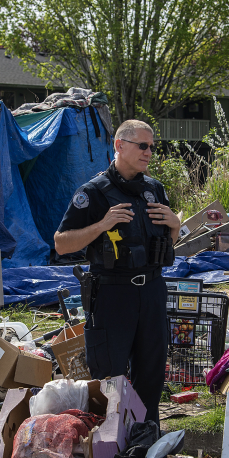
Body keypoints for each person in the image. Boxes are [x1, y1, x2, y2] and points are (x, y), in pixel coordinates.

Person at [54, 119, 180, 424]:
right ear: (119, 146)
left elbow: (167, 245)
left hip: (151, 290)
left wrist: (176, 225)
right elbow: (61, 244)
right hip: (113, 293)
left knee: (151, 372)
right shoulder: (94, 193)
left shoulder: (154, 189)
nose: (149, 152)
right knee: (110, 375)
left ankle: (146, 440)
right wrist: (102, 225)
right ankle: (109, 445)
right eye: (142, 145)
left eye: (152, 146)